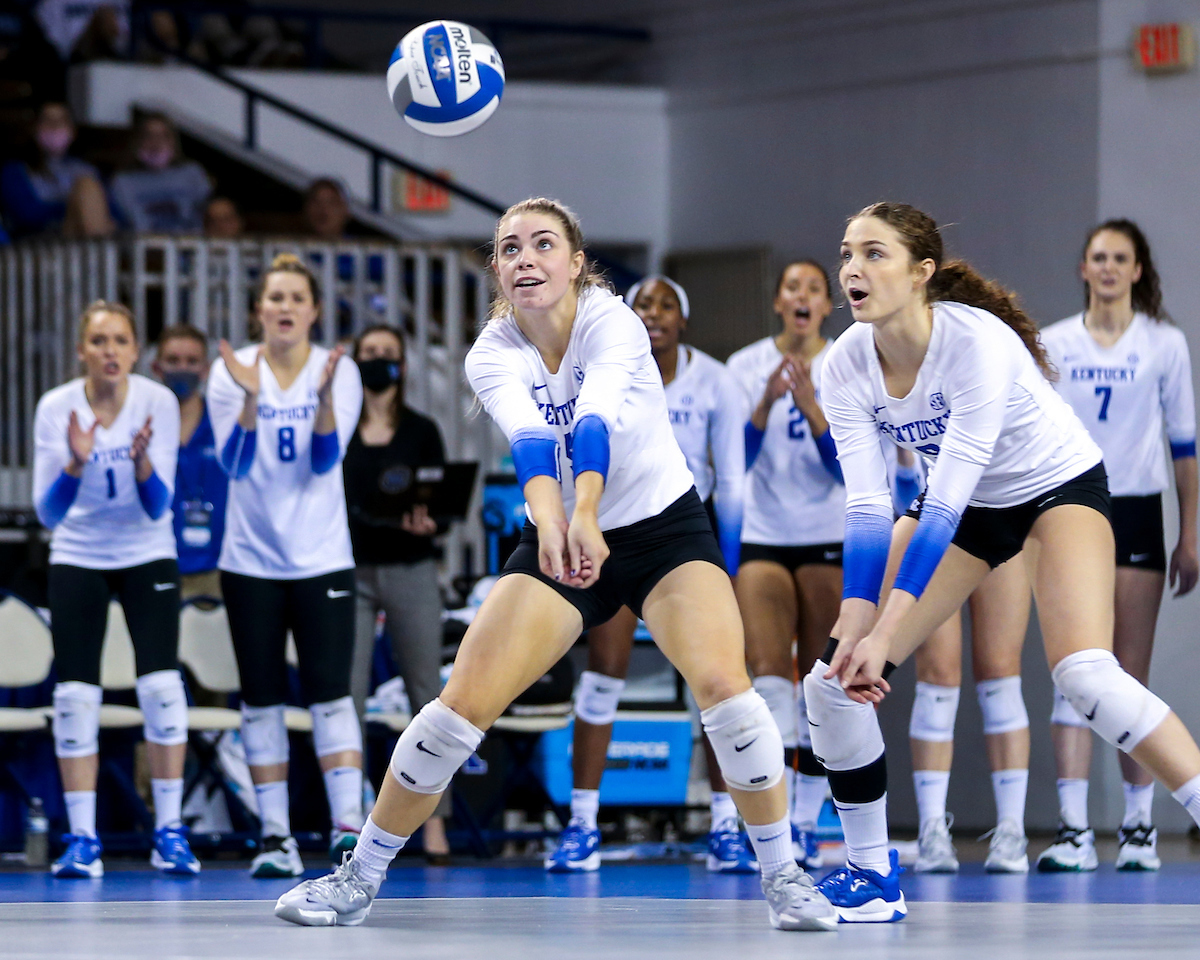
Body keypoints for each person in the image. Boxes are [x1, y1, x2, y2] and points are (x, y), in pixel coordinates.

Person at [274, 197, 838, 931]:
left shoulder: (614, 321)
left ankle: (785, 878)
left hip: (662, 529)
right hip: (561, 532)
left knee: (729, 693)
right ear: (499, 273)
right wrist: (552, 523)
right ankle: (360, 874)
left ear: (576, 264)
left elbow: (595, 419)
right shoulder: (491, 351)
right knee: (457, 707)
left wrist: (584, 515)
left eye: (543, 244)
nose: (525, 258)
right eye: (509, 249)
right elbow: (532, 442)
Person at [806, 200, 1200, 923]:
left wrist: (887, 635)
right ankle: (872, 876)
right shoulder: (843, 366)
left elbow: (947, 503)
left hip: (1056, 489)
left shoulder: (976, 343)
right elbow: (867, 510)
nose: (852, 270)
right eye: (846, 253)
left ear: (922, 272)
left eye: (874, 254)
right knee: (829, 682)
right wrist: (856, 631)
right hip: (969, 511)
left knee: (1085, 674)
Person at [543, 275, 752, 874]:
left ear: (683, 321)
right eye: (642, 304)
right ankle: (582, 824)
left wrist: (727, 565)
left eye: (666, 304)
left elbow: (732, 478)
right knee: (604, 673)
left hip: (683, 531)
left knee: (711, 680)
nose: (653, 313)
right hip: (609, 527)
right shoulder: (600, 366)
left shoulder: (716, 380)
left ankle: (724, 826)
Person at [1036, 219, 1198, 872]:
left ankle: (1138, 827)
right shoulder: (1053, 342)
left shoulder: (1165, 344)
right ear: (1083, 268)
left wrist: (1191, 530)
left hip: (1136, 511)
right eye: (1097, 257)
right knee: (1072, 672)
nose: (1107, 267)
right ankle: (1073, 828)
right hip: (1072, 507)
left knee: (1126, 672)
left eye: (1119, 258)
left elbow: (1184, 447)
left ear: (1137, 270)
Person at [206, 253, 365, 877]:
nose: (285, 308)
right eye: (275, 298)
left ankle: (347, 827)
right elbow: (234, 465)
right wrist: (249, 399)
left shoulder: (339, 371)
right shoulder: (234, 372)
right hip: (249, 561)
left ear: (314, 309)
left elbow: (325, 461)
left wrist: (323, 397)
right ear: (259, 309)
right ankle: (275, 836)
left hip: (322, 559)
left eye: (297, 298)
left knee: (330, 695)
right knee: (261, 699)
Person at [32, 300, 198, 877]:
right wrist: (75, 465)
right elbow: (48, 513)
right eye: (98, 341)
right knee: (76, 694)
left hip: (145, 550)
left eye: (119, 341)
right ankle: (83, 839)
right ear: (82, 351)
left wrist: (143, 466)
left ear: (134, 351)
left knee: (160, 685)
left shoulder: (158, 402)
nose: (109, 351)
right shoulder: (56, 407)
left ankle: (170, 832)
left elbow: (159, 508)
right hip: (78, 553)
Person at [724, 260, 843, 869]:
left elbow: (846, 470)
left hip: (828, 536)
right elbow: (734, 461)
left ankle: (807, 820)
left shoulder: (847, 362)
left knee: (822, 682)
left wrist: (811, 404)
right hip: (763, 536)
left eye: (814, 290)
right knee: (769, 677)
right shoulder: (745, 367)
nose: (802, 297)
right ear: (778, 302)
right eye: (792, 288)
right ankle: (772, 825)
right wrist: (768, 403)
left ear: (827, 305)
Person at [343, 323, 451, 864]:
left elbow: (443, 501)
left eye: (388, 354)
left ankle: (433, 824)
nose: (379, 361)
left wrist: (430, 520)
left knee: (429, 697)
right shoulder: (338, 426)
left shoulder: (422, 431)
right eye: (370, 353)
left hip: (410, 567)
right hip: (353, 569)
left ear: (403, 365)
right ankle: (354, 820)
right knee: (348, 696)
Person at [908, 560, 1033, 873]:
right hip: (937, 524)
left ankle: (1011, 830)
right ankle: (932, 828)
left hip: (1003, 518)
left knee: (1001, 675)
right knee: (937, 674)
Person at [152, 324, 227, 600]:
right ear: (156, 367)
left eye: (191, 361)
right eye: (173, 360)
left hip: (218, 570)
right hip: (155, 567)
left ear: (205, 369)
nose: (182, 368)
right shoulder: (142, 428)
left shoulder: (224, 426)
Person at [0, 101, 113, 240]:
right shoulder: (14, 171)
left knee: (87, 185)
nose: (55, 126)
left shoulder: (86, 169)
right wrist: (77, 205)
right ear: (34, 128)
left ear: (73, 130)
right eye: (47, 120)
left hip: (83, 237)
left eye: (62, 121)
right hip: (39, 242)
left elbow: (114, 212)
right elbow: (27, 216)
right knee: (86, 188)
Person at [109, 111, 210, 234]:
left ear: (173, 141)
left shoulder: (192, 173)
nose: (155, 143)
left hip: (191, 247)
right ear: (137, 141)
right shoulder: (122, 181)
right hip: (142, 249)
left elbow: (207, 212)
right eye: (148, 136)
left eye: (163, 136)